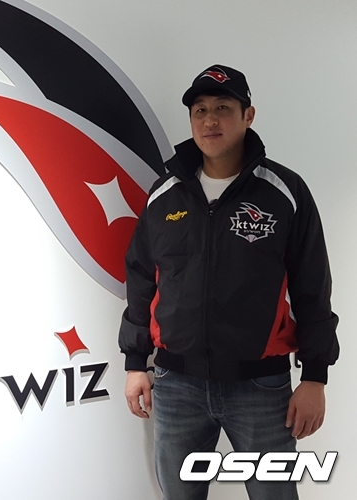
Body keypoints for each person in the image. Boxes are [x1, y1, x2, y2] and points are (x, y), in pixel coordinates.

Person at [118, 64, 339, 499]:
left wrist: (315, 377)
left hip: (260, 386)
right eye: (200, 110)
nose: (210, 120)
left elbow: (312, 286)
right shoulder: (165, 194)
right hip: (176, 384)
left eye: (222, 107)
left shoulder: (283, 192)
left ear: (248, 115)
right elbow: (142, 278)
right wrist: (135, 363)